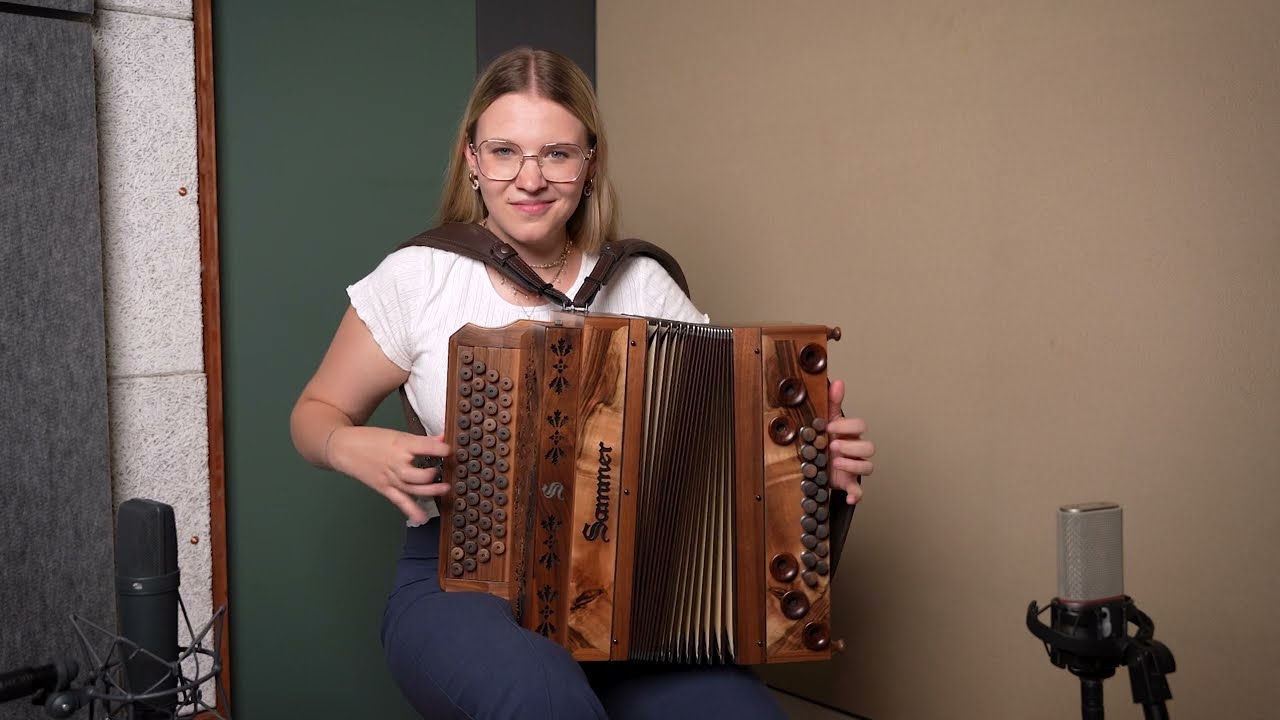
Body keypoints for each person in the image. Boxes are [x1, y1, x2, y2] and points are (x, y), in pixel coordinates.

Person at [290, 46, 876, 720]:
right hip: (460, 580)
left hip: (635, 594)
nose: (529, 178)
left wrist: (808, 465)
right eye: (505, 151)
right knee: (540, 698)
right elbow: (315, 412)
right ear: (472, 159)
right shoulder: (420, 276)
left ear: (590, 161)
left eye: (557, 154)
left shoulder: (642, 283)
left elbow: (722, 453)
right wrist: (349, 446)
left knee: (737, 712)